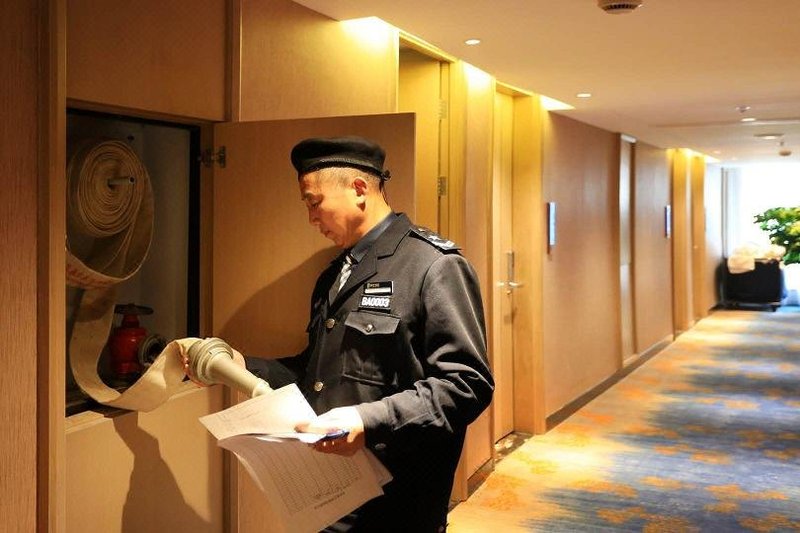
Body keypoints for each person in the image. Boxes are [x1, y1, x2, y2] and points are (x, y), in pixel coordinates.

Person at [236, 136, 493, 531]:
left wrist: (367, 419)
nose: (311, 218)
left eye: (313, 202)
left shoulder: (432, 265)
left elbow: (467, 384)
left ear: (358, 189)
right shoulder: (333, 276)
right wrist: (242, 365)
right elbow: (318, 374)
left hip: (397, 503)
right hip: (330, 495)